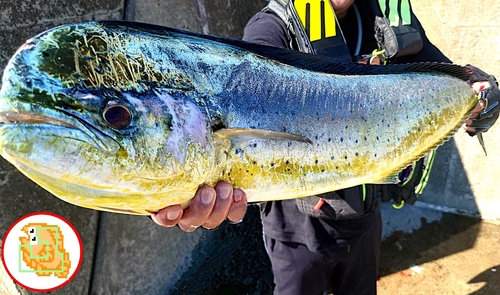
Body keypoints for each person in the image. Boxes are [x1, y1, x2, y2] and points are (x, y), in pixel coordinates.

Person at [152, 0, 500, 294]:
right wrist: (187, 183)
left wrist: (481, 96)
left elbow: (453, 80)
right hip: (298, 231)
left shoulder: (383, 14)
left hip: (365, 217)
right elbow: (228, 97)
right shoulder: (272, 28)